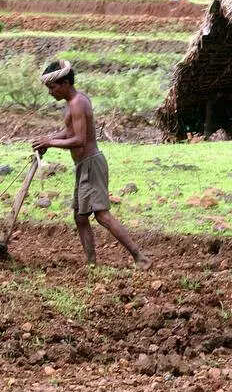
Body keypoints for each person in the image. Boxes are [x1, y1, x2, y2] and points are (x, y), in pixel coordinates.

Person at [31, 60, 152, 270]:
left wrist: (50, 142)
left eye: (53, 87)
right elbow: (69, 133)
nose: (51, 93)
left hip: (91, 164)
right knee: (80, 217)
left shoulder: (78, 103)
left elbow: (79, 140)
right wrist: (47, 140)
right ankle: (91, 263)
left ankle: (140, 257)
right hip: (83, 165)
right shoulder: (72, 103)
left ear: (66, 83)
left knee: (102, 215)